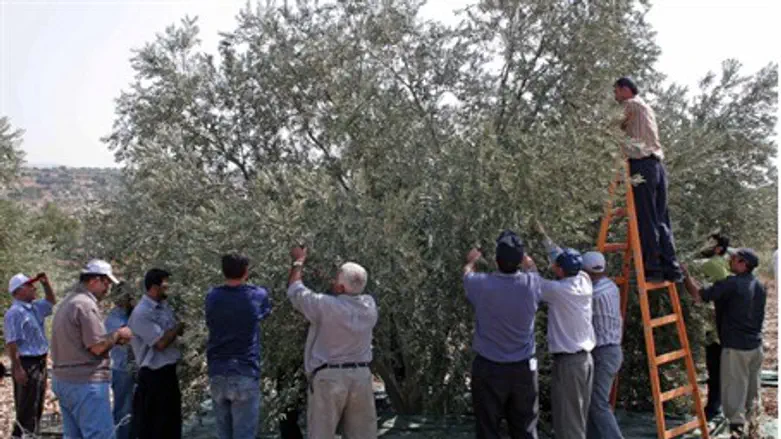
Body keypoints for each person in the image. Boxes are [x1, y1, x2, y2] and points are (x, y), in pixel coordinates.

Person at [287, 245, 378, 438]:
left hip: (329, 378)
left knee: (321, 433)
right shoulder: (369, 306)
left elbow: (295, 290)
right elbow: (349, 291)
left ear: (341, 287)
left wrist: (298, 261)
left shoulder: (326, 306)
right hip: (361, 376)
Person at [462, 230, 541, 439]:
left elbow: (466, 274)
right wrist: (527, 260)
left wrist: (471, 261)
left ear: (496, 260)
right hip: (523, 368)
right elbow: (533, 269)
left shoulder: (480, 284)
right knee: (525, 428)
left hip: (489, 367)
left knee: (488, 428)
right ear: (520, 260)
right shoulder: (532, 284)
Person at [682, 248, 766, 439]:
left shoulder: (732, 284)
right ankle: (754, 430)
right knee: (752, 392)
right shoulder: (759, 285)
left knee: (734, 392)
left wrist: (685, 275)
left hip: (736, 348)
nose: (730, 260)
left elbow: (698, 295)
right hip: (755, 346)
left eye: (734, 259)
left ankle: (737, 432)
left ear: (743, 264)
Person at [51, 259, 133, 439]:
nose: (108, 289)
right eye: (106, 283)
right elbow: (97, 347)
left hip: (65, 381)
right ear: (94, 280)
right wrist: (119, 335)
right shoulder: (86, 305)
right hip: (86, 383)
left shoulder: (68, 302)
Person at [524, 233, 595, 439]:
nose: (553, 266)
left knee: (568, 424)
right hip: (585, 360)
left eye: (556, 265)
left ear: (561, 270)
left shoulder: (559, 291)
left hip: (569, 364)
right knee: (578, 419)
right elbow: (558, 256)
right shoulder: (584, 280)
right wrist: (543, 235)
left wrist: (527, 262)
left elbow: (534, 282)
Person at [614, 77, 683, 282]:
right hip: (657, 165)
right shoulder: (646, 107)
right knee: (661, 218)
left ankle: (653, 267)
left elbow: (610, 125)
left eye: (616, 91)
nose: (615, 96)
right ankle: (671, 266)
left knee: (645, 216)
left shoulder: (630, 105)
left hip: (642, 164)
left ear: (625, 90)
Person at [205, 253, 272, 439]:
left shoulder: (212, 296)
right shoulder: (257, 295)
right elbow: (265, 310)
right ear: (245, 271)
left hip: (218, 371)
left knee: (223, 434)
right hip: (244, 370)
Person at [128, 269, 184, 439]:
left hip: (167, 372)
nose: (168, 288)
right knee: (154, 427)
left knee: (171, 425)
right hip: (153, 376)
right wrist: (177, 328)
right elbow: (160, 342)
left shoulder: (164, 308)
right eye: (165, 285)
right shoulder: (142, 313)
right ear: (154, 287)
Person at [4, 272, 56, 438]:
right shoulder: (15, 313)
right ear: (18, 291)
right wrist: (17, 368)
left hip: (39, 362)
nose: (34, 288)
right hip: (27, 363)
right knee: (27, 407)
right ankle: (22, 435)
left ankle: (29, 434)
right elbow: (12, 342)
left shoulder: (35, 307)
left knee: (36, 405)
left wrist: (46, 284)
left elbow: (51, 302)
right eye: (29, 285)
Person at [581, 252, 624, 439]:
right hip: (611, 351)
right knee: (592, 401)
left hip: (604, 352)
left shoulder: (593, 294)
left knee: (598, 403)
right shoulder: (611, 286)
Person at [697, 233, 732, 421]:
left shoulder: (711, 264)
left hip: (715, 328)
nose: (705, 245)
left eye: (709, 242)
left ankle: (712, 409)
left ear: (718, 248)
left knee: (715, 370)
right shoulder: (725, 263)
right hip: (723, 326)